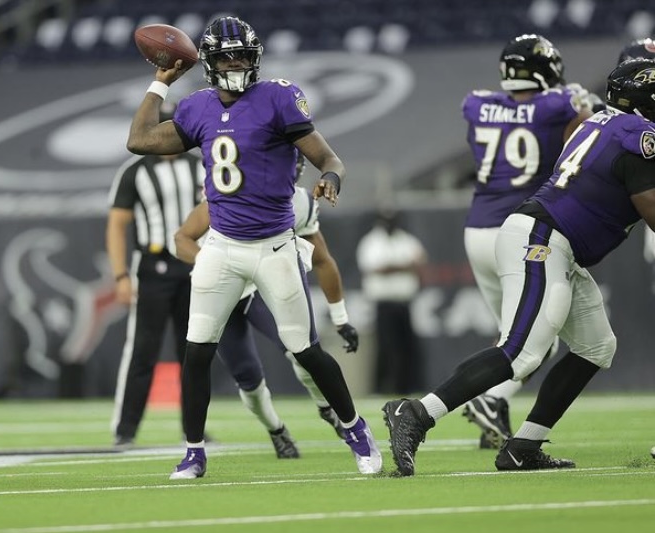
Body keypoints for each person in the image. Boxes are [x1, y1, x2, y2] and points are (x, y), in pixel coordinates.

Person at [127, 16, 382, 479]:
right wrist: (159, 83)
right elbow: (139, 140)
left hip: (274, 246)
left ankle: (356, 428)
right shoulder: (197, 106)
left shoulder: (278, 97)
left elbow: (328, 156)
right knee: (197, 351)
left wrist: (329, 178)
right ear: (208, 61)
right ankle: (193, 452)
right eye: (227, 55)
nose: (237, 62)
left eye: (243, 54)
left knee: (304, 351)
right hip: (222, 245)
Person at [382, 57, 655, 476]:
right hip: (544, 239)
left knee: (597, 347)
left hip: (552, 239)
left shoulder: (602, 122)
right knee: (521, 352)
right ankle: (416, 413)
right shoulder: (639, 137)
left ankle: (523, 446)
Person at [459, 34, 594, 449]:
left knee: (510, 337)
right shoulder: (558, 104)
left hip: (476, 230)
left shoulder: (477, 103)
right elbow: (583, 127)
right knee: (539, 340)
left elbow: (493, 116)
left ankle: (493, 415)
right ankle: (491, 398)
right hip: (520, 232)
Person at [174, 163, 360, 458]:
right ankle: (276, 430)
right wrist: (215, 270)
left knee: (301, 349)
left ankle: (328, 408)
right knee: (247, 378)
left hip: (259, 286)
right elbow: (181, 238)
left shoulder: (300, 202)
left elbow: (323, 260)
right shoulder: (230, 195)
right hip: (224, 290)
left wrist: (340, 317)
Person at [106, 101, 205, 449]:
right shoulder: (135, 171)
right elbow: (117, 224)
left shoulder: (204, 164)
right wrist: (120, 275)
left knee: (194, 350)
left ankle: (194, 428)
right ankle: (126, 428)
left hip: (196, 264)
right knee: (143, 350)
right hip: (153, 267)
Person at [355, 208, 426, 394]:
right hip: (383, 304)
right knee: (386, 347)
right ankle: (381, 389)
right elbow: (374, 267)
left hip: (404, 303)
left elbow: (419, 262)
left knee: (407, 347)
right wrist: (403, 266)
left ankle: (406, 388)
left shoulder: (406, 239)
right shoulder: (372, 241)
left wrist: (392, 266)